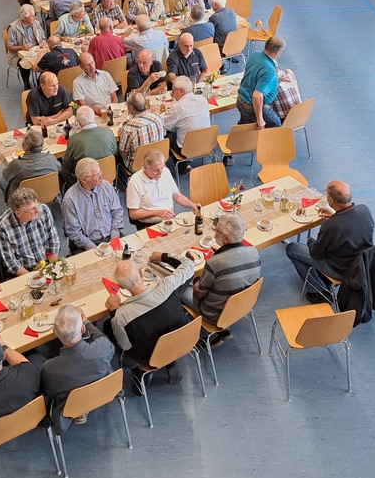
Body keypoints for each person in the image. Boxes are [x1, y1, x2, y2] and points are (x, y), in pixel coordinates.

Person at [105, 253, 195, 390]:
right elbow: (189, 264)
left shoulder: (121, 316)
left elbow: (125, 346)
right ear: (141, 274)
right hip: (182, 342)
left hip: (149, 357)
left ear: (121, 287)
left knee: (107, 326)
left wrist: (114, 312)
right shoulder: (168, 286)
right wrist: (163, 256)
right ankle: (170, 363)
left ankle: (138, 373)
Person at [181, 213, 261, 342]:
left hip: (213, 313)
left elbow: (199, 293)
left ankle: (203, 336)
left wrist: (197, 278)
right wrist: (221, 254)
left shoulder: (214, 263)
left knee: (178, 288)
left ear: (226, 239)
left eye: (216, 231)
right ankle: (224, 329)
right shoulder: (253, 251)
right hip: (241, 306)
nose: (214, 234)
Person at [285, 181, 374, 296]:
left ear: (331, 200)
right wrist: (335, 216)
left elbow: (315, 253)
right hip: (361, 265)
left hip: (340, 270)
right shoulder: (364, 210)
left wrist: (310, 241)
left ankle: (317, 291)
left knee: (292, 248)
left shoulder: (332, 226)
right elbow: (349, 224)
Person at [40, 305, 115, 431]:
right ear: (83, 329)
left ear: (55, 332)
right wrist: (85, 320)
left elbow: (48, 392)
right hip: (104, 393)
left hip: (69, 406)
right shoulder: (103, 347)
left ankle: (81, 409)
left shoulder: (50, 369)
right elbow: (102, 338)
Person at [61, 157, 123, 254]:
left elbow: (117, 212)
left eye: (100, 172)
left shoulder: (106, 186)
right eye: (97, 175)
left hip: (111, 235)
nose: (101, 177)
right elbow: (74, 232)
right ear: (84, 180)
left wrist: (114, 236)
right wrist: (93, 248)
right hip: (86, 243)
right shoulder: (70, 200)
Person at [0, 187, 60, 277]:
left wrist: (52, 269)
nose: (37, 210)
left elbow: (53, 242)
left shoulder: (43, 210)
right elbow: (11, 263)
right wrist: (35, 278)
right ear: (18, 213)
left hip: (47, 262)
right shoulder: (2, 227)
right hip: (25, 271)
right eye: (32, 209)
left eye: (37, 204)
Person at [125, 149, 198, 228]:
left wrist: (192, 205)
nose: (160, 173)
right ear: (145, 167)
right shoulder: (135, 182)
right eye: (156, 170)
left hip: (169, 219)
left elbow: (177, 196)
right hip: (149, 224)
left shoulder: (165, 171)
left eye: (162, 168)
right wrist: (156, 213)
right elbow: (133, 214)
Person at [60, 106, 117, 187]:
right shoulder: (109, 132)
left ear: (78, 122)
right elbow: (115, 152)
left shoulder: (73, 140)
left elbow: (67, 166)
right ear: (94, 118)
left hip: (85, 183)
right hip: (108, 176)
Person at [236, 35, 284, 128]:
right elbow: (257, 95)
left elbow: (257, 77)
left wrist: (277, 80)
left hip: (241, 100)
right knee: (276, 125)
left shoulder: (255, 55)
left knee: (246, 128)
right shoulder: (269, 69)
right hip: (252, 107)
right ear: (277, 52)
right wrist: (260, 119)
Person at [0, 128, 60, 200]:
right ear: (42, 145)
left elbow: (5, 175)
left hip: (24, 201)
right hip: (50, 197)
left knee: (2, 181)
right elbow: (59, 169)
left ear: (25, 147)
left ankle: (10, 206)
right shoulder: (51, 159)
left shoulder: (17, 165)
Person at [117, 91, 166, 177]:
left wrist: (121, 136)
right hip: (158, 161)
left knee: (116, 154)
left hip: (138, 166)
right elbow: (164, 134)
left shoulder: (128, 128)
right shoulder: (157, 117)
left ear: (131, 108)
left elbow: (123, 154)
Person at [163, 75, 211, 156]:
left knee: (165, 134)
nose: (172, 93)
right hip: (207, 143)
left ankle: (183, 165)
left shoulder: (179, 107)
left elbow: (165, 125)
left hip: (186, 149)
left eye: (173, 91)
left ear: (181, 91)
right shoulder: (202, 99)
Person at [6, 4, 47, 90]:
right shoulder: (13, 28)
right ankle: (27, 85)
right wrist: (21, 47)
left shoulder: (36, 23)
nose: (34, 18)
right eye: (32, 16)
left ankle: (42, 82)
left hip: (36, 50)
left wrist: (43, 43)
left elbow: (42, 37)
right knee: (24, 64)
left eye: (34, 15)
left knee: (48, 59)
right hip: (18, 54)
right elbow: (10, 47)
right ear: (24, 18)